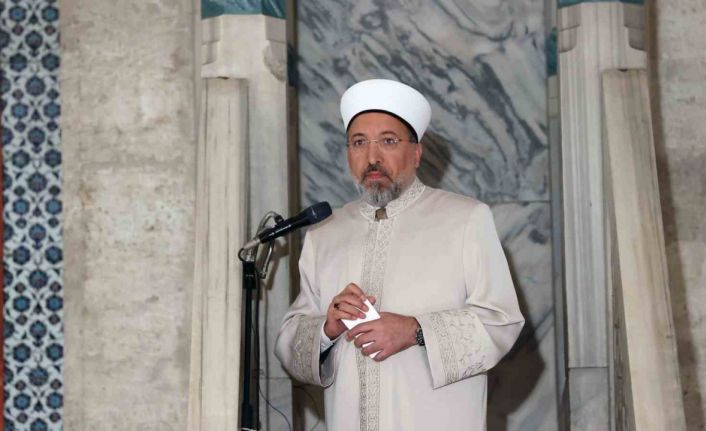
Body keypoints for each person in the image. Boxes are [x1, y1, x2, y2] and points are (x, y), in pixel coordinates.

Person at [275, 79, 524, 430]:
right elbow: (289, 344)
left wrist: (415, 330)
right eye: (359, 142)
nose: (372, 157)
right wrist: (327, 329)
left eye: (388, 141)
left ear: (417, 153)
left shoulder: (466, 218)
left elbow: (501, 322)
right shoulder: (324, 234)